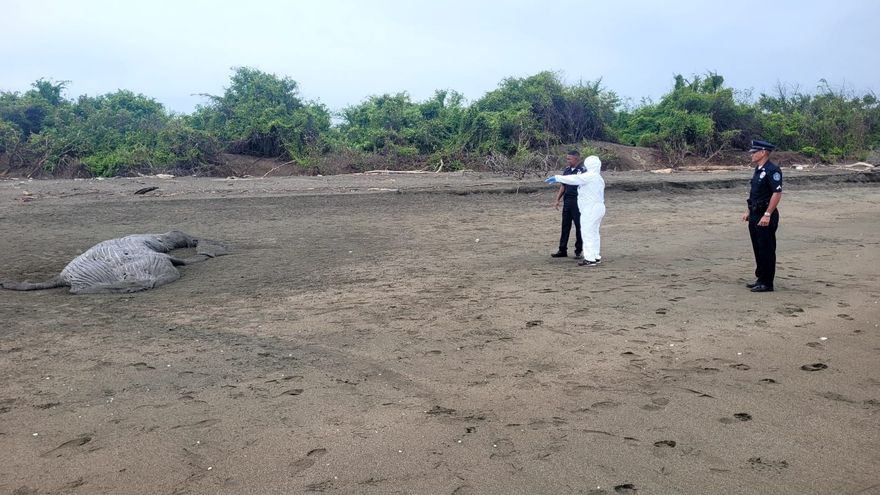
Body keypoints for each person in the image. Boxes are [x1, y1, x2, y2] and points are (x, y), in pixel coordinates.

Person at [545, 155, 606, 266]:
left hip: (590, 208)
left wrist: (558, 178)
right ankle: (595, 256)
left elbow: (574, 179)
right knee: (594, 232)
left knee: (587, 233)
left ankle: (590, 259)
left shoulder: (590, 176)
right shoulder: (598, 177)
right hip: (598, 207)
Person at [742, 139, 783, 292]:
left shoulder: (772, 170)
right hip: (755, 213)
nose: (752, 155)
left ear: (763, 152)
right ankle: (760, 278)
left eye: (754, 152)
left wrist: (767, 214)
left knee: (766, 248)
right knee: (758, 247)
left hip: (765, 214)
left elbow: (776, 193)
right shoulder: (759, 169)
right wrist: (748, 211)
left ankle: (767, 282)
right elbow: (755, 193)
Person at [550, 150, 587, 259]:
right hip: (567, 200)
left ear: (576, 159)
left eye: (569, 159)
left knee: (579, 226)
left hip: (578, 201)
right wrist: (558, 199)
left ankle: (578, 251)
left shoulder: (583, 171)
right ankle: (562, 250)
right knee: (565, 225)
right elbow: (563, 185)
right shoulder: (567, 170)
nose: (567, 161)